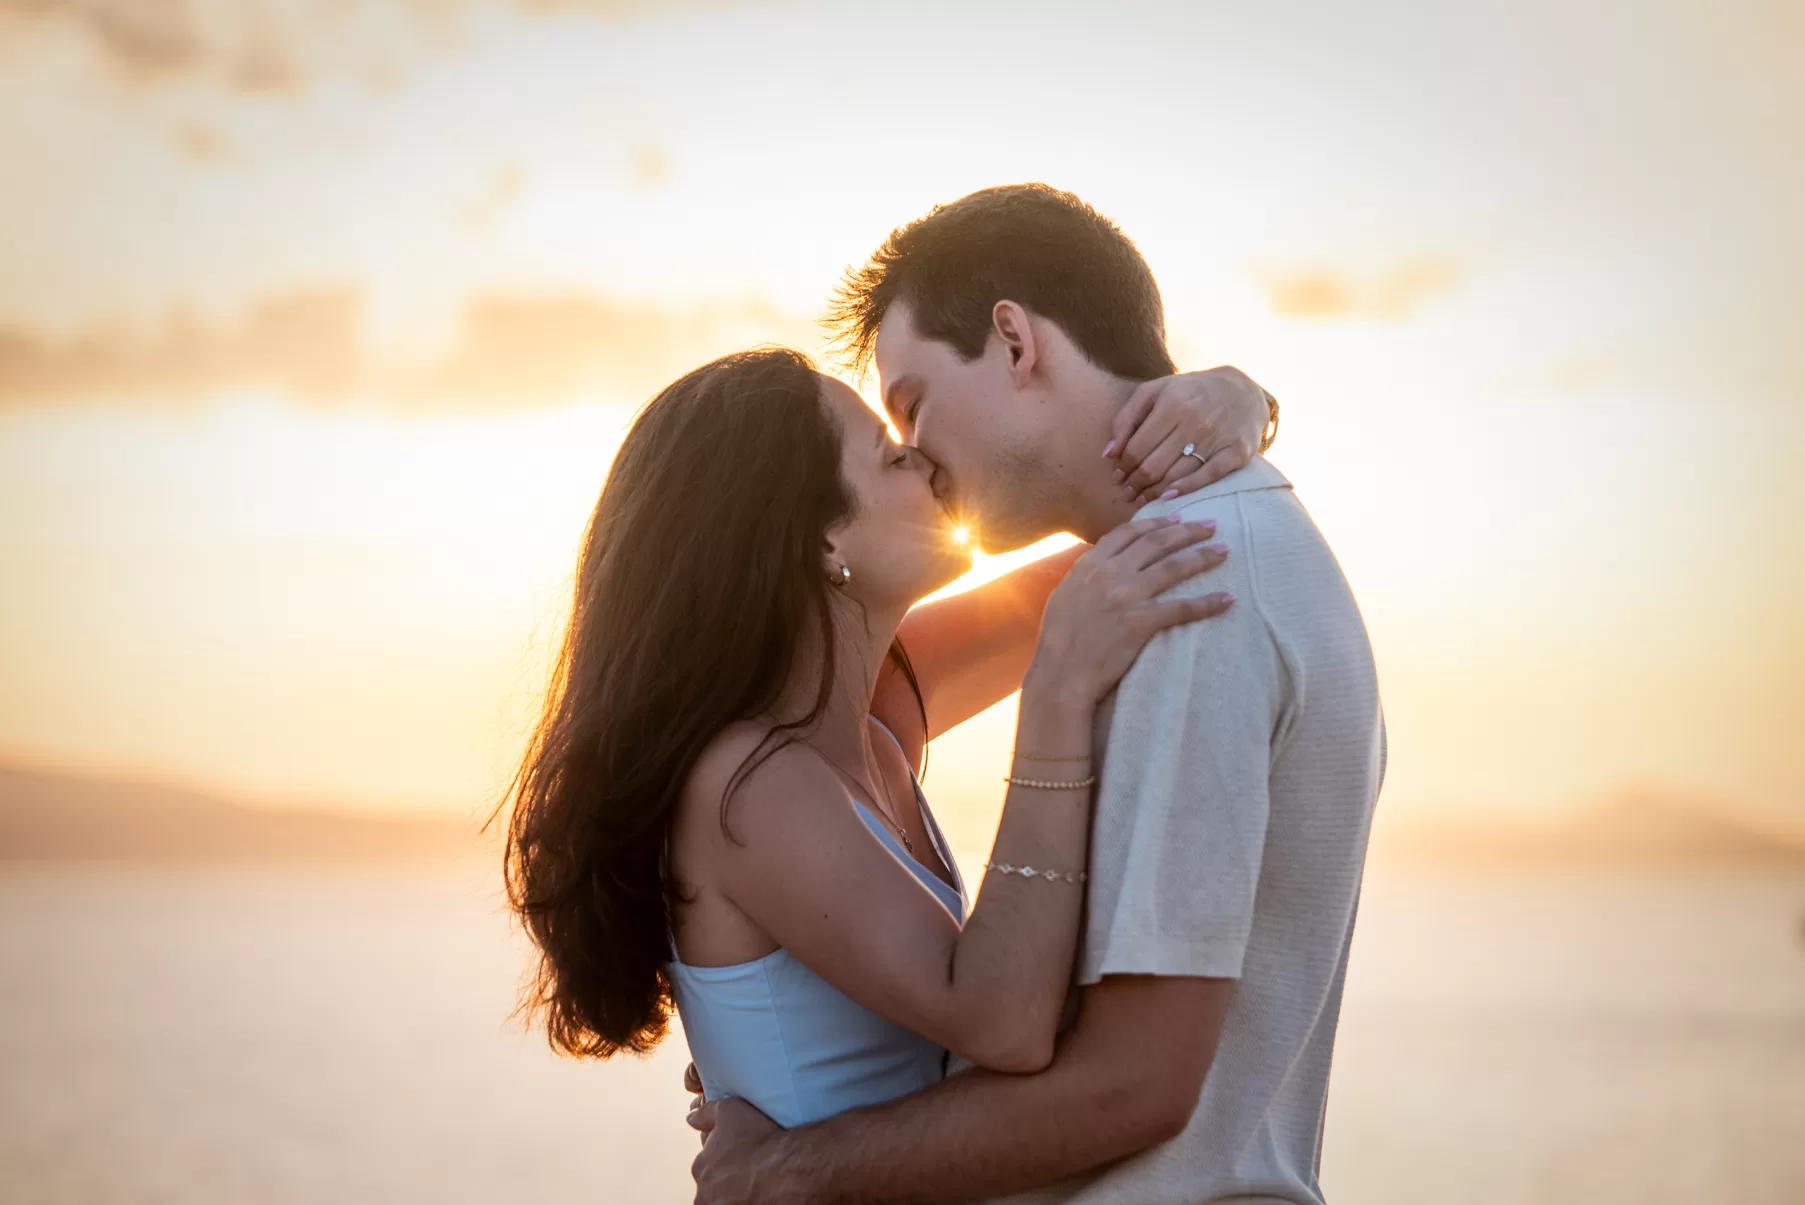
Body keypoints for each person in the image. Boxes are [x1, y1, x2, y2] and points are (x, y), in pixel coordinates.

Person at [689, 184, 1385, 1205]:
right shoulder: (1153, 571)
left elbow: (1134, 1084)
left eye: (911, 406)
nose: (915, 454)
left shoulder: (1193, 592)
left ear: (1013, 341)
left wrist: (793, 1164)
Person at [499, 340, 1275, 1120]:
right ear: (822, 539)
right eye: (886, 454)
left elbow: (1136, 547)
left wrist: (1239, 406)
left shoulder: (872, 715)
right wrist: (1056, 697)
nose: (923, 459)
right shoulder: (749, 785)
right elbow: (1002, 1020)